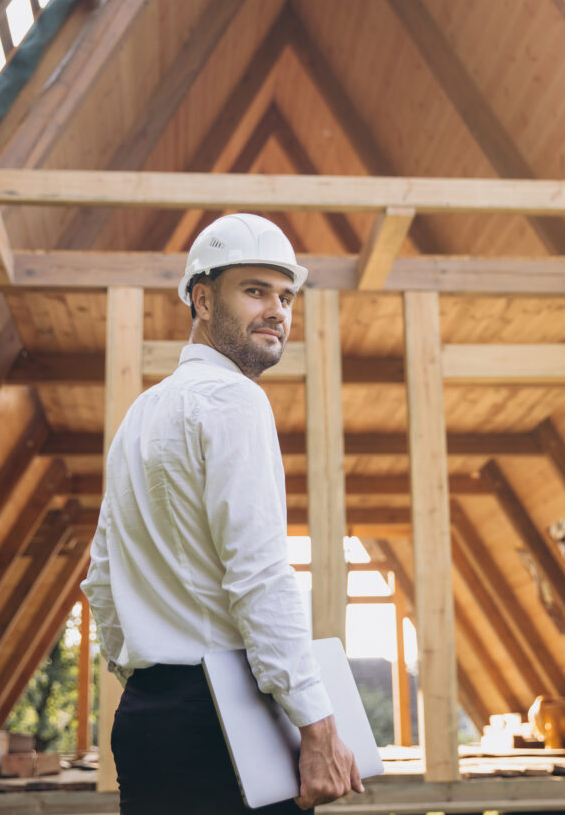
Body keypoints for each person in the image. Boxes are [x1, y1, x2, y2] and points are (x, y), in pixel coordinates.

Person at [81, 213, 363, 814]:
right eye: (255, 290)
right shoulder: (237, 400)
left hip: (148, 721)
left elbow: (100, 577)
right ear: (202, 300)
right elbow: (260, 574)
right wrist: (316, 726)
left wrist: (148, 676)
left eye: (285, 295)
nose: (278, 311)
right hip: (223, 727)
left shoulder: (139, 415)